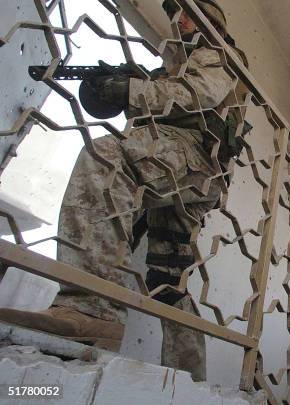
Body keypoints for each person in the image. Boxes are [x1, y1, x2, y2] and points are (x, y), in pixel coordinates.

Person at [0, 0, 249, 382]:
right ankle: (190, 377)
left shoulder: (215, 51)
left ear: (210, 19)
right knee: (169, 279)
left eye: (187, 12)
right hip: (187, 171)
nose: (177, 19)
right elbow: (161, 103)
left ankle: (88, 311)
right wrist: (132, 83)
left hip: (192, 157)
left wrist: (132, 88)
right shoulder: (174, 63)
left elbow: (199, 94)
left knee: (105, 157)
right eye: (176, 13)